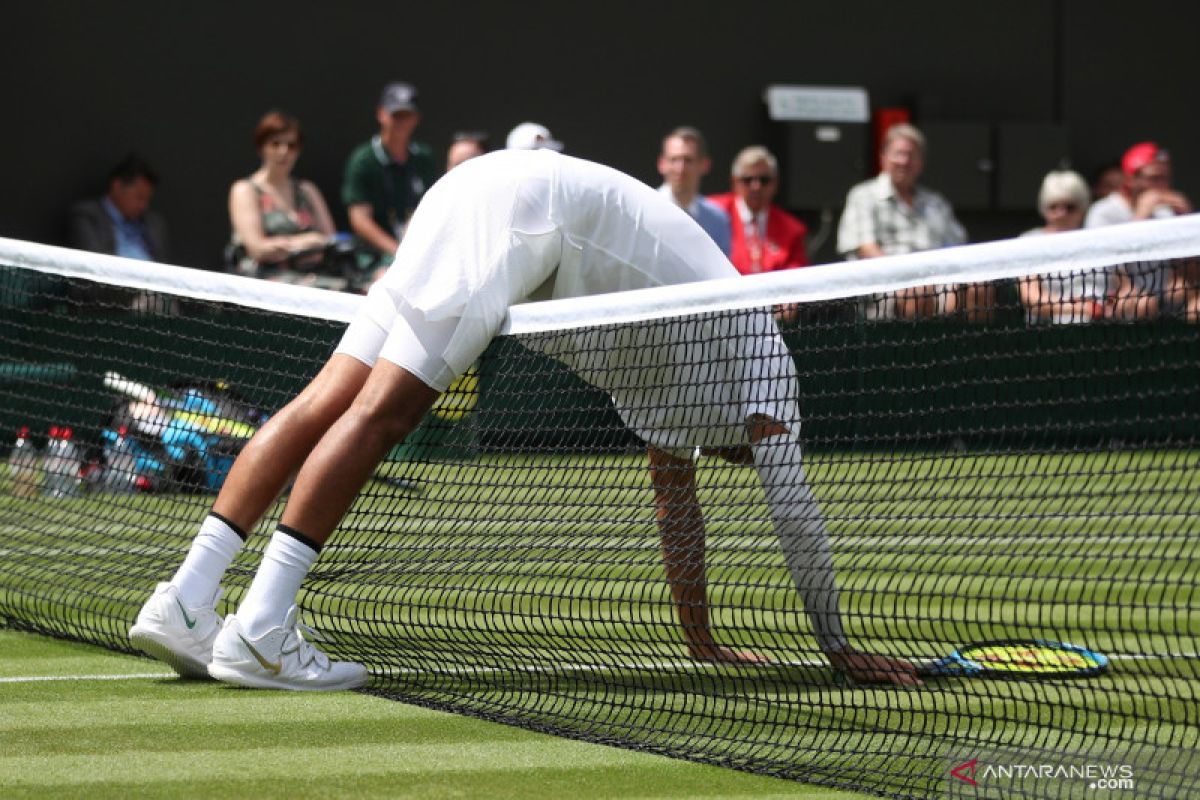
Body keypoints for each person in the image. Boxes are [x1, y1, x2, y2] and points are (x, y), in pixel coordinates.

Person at [128, 150, 919, 691]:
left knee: (328, 397)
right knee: (384, 412)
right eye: (745, 454)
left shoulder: (683, 397)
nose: (731, 458)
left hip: (476, 190)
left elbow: (677, 506)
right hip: (520, 215)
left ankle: (187, 599)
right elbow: (793, 508)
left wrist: (701, 638)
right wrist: (837, 646)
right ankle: (264, 627)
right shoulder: (766, 372)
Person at [836, 124, 970, 319]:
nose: (904, 161)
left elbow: (959, 246)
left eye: (911, 155)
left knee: (978, 290)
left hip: (936, 279)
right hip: (885, 285)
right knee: (916, 293)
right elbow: (866, 249)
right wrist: (907, 277)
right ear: (883, 157)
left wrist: (943, 275)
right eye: (898, 153)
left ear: (921, 162)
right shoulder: (863, 196)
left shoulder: (936, 202)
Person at [227, 110, 338, 286]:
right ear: (262, 147)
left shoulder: (307, 190)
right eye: (275, 143)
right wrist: (306, 242)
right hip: (263, 284)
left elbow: (331, 242)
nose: (283, 151)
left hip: (315, 278)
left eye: (291, 145)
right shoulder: (245, 190)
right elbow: (257, 248)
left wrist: (282, 246)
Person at [1086, 142, 1194, 319]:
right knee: (1144, 304)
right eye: (1153, 178)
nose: (1161, 185)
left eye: (1165, 178)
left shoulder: (1164, 212)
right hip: (1115, 298)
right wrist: (1140, 217)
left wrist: (1187, 221)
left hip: (1165, 298)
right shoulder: (1103, 212)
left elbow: (1187, 271)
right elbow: (1113, 271)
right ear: (1131, 179)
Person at [342, 82, 437, 269]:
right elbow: (360, 220)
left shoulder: (423, 157)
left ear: (417, 118)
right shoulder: (363, 160)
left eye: (407, 115)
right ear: (381, 114)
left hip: (419, 252)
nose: (401, 122)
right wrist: (399, 253)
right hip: (376, 256)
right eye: (396, 115)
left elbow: (432, 207)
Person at [1017, 170, 1107, 324]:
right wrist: (1084, 308)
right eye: (1053, 207)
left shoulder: (1100, 239)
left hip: (1107, 327)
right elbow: (1031, 297)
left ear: (1083, 208)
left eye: (1069, 207)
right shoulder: (1029, 241)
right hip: (1050, 331)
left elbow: (1124, 287)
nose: (1061, 213)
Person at [707, 146, 808, 275]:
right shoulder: (713, 214)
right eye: (747, 180)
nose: (756, 186)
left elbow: (797, 277)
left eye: (764, 180)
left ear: (775, 184)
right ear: (734, 182)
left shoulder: (792, 230)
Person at [68, 154, 169, 263]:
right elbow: (95, 264)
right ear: (117, 186)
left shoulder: (153, 224)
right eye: (139, 197)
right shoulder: (86, 216)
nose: (144, 206)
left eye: (147, 199)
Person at [656, 126, 731, 254]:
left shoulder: (717, 219)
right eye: (674, 159)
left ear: (705, 165)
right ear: (662, 164)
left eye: (688, 160)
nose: (680, 168)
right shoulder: (646, 209)